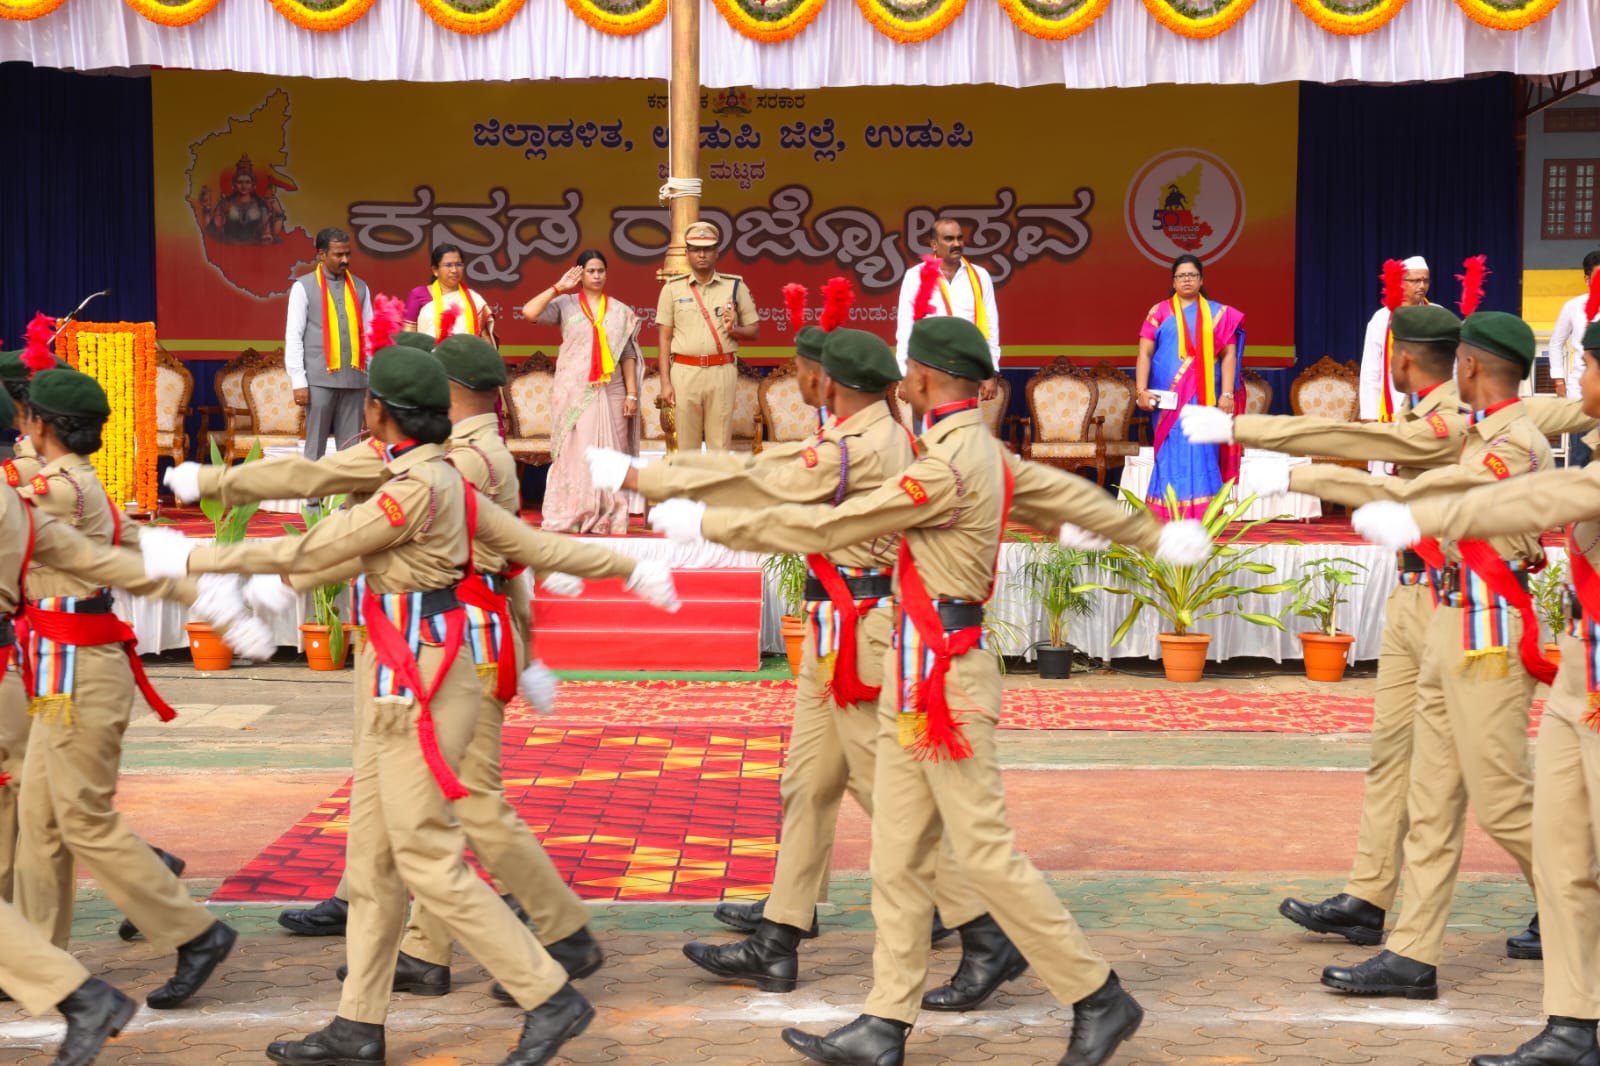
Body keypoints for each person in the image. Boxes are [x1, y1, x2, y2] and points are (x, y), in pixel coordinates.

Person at [648, 317, 1212, 1066]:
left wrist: (709, 521)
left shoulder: (943, 466)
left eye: (909, 370)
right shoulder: (981, 451)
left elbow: (844, 521)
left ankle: (1098, 995)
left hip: (946, 675)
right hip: (918, 670)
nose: (901, 379)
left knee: (984, 852)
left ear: (925, 379)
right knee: (897, 855)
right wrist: (1147, 535)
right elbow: (1071, 497)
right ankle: (885, 1021)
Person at [142, 343, 679, 1066]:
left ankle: (548, 993)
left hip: (425, 676)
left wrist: (190, 557)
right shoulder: (438, 476)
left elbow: (323, 544)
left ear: (378, 412)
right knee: (370, 859)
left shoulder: (416, 488)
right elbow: (528, 541)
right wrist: (626, 565)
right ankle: (358, 1025)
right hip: (405, 667)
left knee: (425, 853)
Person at [593, 325, 1022, 1009]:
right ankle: (780, 936)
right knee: (808, 784)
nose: (797, 378)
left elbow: (769, 482)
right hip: (838, 627)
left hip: (863, 632)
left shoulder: (862, 443)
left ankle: (981, 927)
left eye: (801, 369)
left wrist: (650, 481)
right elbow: (772, 465)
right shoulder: (860, 434)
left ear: (826, 380)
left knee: (888, 797)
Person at [1181, 305, 1582, 959]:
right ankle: (1377, 904)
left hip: (1469, 609)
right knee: (1401, 763)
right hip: (1417, 591)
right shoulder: (1471, 415)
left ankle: (1564, 898)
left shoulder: (1460, 418)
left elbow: (1388, 457)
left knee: (1489, 791)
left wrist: (1271, 453)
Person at [1353, 317, 1600, 1066]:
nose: (1576, 381)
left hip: (1492, 624)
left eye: (1584, 365)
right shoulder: (1473, 424)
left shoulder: (1519, 434)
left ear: (1467, 364)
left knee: (1504, 803)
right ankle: (1420, 954)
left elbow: (1501, 510)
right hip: (1457, 613)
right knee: (1435, 797)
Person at [9, 367, 268, 1012]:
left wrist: (209, 591)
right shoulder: (74, 481)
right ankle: (38, 960)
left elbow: (92, 549)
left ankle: (195, 934)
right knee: (41, 821)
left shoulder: (50, 491)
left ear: (38, 425)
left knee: (83, 820)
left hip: (78, 670)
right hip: (63, 665)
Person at [522, 250, 642, 533]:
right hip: (575, 391)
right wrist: (557, 288)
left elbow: (627, 354)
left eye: (601, 270)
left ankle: (609, 516)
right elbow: (529, 312)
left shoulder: (620, 312)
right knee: (578, 452)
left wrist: (632, 393)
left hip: (611, 389)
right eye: (591, 271)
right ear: (580, 273)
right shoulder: (566, 304)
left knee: (612, 451)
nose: (597, 276)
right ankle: (576, 512)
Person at [1135, 254, 1245, 520]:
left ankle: (1205, 516)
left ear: (1201, 279)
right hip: (1167, 400)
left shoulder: (1219, 314)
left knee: (1202, 450)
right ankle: (1166, 516)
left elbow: (1228, 355)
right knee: (1171, 452)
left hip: (1205, 398)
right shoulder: (1159, 312)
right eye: (1181, 275)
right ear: (1173, 281)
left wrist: (1227, 394)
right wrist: (1140, 391)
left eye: (1192, 275)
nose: (1187, 279)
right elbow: (1144, 354)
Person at [656, 220, 759, 452]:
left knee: (719, 445)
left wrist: (735, 330)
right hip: (684, 371)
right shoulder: (672, 288)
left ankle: (717, 489)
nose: (701, 255)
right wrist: (665, 382)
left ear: (716, 253)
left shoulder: (735, 286)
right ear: (687, 253)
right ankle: (689, 489)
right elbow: (664, 339)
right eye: (695, 249)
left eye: (707, 249)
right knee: (686, 446)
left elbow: (754, 330)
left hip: (721, 372)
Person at [287, 227, 373, 461]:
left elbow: (370, 334)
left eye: (347, 254)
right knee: (315, 446)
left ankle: (347, 499)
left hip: (355, 379)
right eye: (338, 255)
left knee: (352, 449)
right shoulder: (303, 287)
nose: (345, 260)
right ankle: (312, 499)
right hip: (318, 381)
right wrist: (298, 381)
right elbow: (293, 336)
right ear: (321, 254)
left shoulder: (361, 287)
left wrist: (372, 381)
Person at [893, 218, 1002, 399]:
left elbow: (991, 328)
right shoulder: (915, 276)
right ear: (934, 244)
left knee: (963, 426)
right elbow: (905, 328)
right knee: (930, 427)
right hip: (928, 371)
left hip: (967, 372)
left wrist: (990, 371)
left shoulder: (980, 276)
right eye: (949, 239)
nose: (957, 244)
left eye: (960, 238)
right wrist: (904, 374)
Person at [1360, 255, 1431, 424]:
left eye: (1426, 281)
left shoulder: (1437, 314)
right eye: (1415, 281)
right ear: (1401, 282)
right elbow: (1371, 370)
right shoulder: (1381, 319)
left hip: (1430, 411)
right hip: (1393, 410)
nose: (1422, 286)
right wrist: (1370, 417)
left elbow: (1452, 366)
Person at [1547, 250, 1600, 468]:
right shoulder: (1573, 306)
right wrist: (1558, 379)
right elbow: (1555, 343)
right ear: (1587, 279)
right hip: (1582, 393)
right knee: (1581, 456)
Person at [407, 243, 498, 347]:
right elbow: (408, 337)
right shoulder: (418, 294)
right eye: (448, 265)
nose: (454, 270)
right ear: (435, 270)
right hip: (428, 360)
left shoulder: (475, 300)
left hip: (465, 360)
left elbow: (485, 338)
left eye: (458, 265)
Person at [202, 154, 286, 245]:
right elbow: (212, 231)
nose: (244, 186)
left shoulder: (261, 205)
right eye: (240, 182)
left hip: (256, 249)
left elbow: (272, 233)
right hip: (230, 248)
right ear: (234, 185)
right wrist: (206, 209)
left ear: (253, 185)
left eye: (247, 182)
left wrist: (278, 212)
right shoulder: (225, 203)